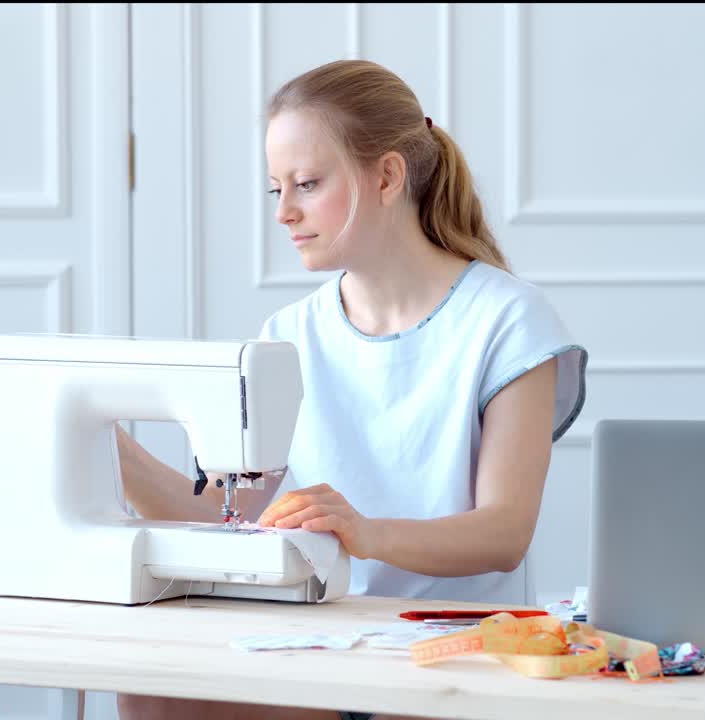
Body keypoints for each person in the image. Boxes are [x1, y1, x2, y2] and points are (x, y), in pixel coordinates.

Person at [115, 59, 587, 720]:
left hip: (459, 648)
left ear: (388, 175)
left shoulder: (507, 321)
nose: (284, 212)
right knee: (152, 690)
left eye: (306, 184)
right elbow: (227, 509)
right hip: (329, 639)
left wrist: (366, 534)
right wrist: (103, 444)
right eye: (274, 189)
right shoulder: (289, 335)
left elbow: (503, 532)